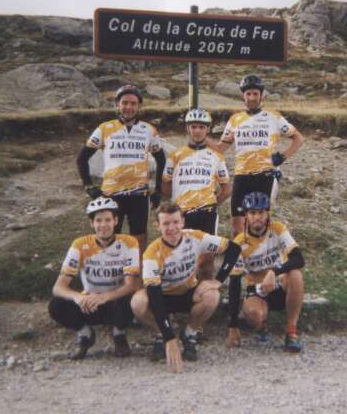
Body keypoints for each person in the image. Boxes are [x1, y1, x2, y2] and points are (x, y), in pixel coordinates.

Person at [131, 203, 241, 373]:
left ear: (183, 222)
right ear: (157, 226)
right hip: (162, 296)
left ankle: (190, 332)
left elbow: (234, 248)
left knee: (213, 296)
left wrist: (218, 280)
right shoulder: (151, 253)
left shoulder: (195, 237)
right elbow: (154, 295)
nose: (172, 228)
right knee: (138, 302)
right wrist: (169, 337)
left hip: (188, 292)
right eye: (166, 224)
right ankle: (160, 333)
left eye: (175, 222)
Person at [207, 74, 303, 236]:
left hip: (264, 176)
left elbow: (298, 138)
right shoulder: (235, 120)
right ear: (243, 96)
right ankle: (239, 259)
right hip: (241, 176)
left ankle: (260, 258)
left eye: (255, 94)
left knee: (260, 225)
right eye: (248, 94)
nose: (251, 98)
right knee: (237, 226)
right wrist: (203, 137)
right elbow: (220, 148)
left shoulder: (273, 117)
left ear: (261, 95)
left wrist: (284, 156)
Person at [77, 84, 166, 253]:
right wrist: (88, 186)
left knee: (139, 239)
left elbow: (161, 159)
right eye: (125, 103)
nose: (129, 107)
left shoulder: (148, 130)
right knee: (109, 238)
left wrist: (158, 190)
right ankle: (113, 273)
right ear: (117, 104)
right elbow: (82, 158)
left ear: (139, 106)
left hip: (139, 194)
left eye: (133, 103)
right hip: (111, 193)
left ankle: (137, 274)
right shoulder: (104, 128)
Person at [49, 197, 140, 359]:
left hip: (116, 302)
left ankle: (119, 334)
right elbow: (58, 287)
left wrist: (104, 297)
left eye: (107, 220)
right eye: (98, 220)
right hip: (89, 304)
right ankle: (85, 334)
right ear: (92, 223)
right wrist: (77, 297)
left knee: (132, 298)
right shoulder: (79, 244)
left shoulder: (129, 243)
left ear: (116, 221)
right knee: (56, 305)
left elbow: (131, 285)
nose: (103, 225)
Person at [226, 192, 305, 353]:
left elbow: (299, 259)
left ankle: (291, 333)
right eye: (253, 213)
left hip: (279, 284)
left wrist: (274, 272)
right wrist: (232, 325)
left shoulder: (277, 228)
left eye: (261, 212)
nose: (257, 217)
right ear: (246, 215)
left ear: (267, 213)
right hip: (257, 290)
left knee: (295, 274)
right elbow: (234, 284)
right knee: (254, 314)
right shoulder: (239, 243)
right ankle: (262, 325)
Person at [161, 107, 232, 279]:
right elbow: (165, 186)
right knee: (180, 258)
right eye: (193, 126)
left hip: (207, 213)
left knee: (206, 261)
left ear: (208, 129)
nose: (198, 131)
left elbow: (227, 188)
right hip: (182, 214)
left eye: (202, 127)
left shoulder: (217, 156)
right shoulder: (175, 155)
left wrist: (213, 203)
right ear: (187, 128)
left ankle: (205, 295)